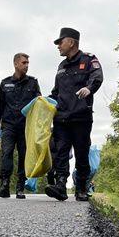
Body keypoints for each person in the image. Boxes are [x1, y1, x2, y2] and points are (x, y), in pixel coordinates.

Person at [46, 27, 103, 202]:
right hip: (61, 117)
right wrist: (43, 102)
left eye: (60, 42)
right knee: (61, 152)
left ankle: (81, 188)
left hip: (81, 117)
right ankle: (60, 186)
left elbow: (97, 76)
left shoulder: (89, 59)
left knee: (81, 153)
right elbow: (56, 91)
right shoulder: (61, 66)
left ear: (71, 42)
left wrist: (89, 88)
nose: (58, 46)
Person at [0, 53, 41, 199]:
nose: (27, 65)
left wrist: (39, 127)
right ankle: (4, 186)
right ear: (15, 64)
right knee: (6, 153)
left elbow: (39, 105)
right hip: (8, 125)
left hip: (25, 126)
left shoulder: (33, 83)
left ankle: (20, 187)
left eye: (27, 63)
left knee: (23, 155)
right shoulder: (5, 83)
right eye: (24, 63)